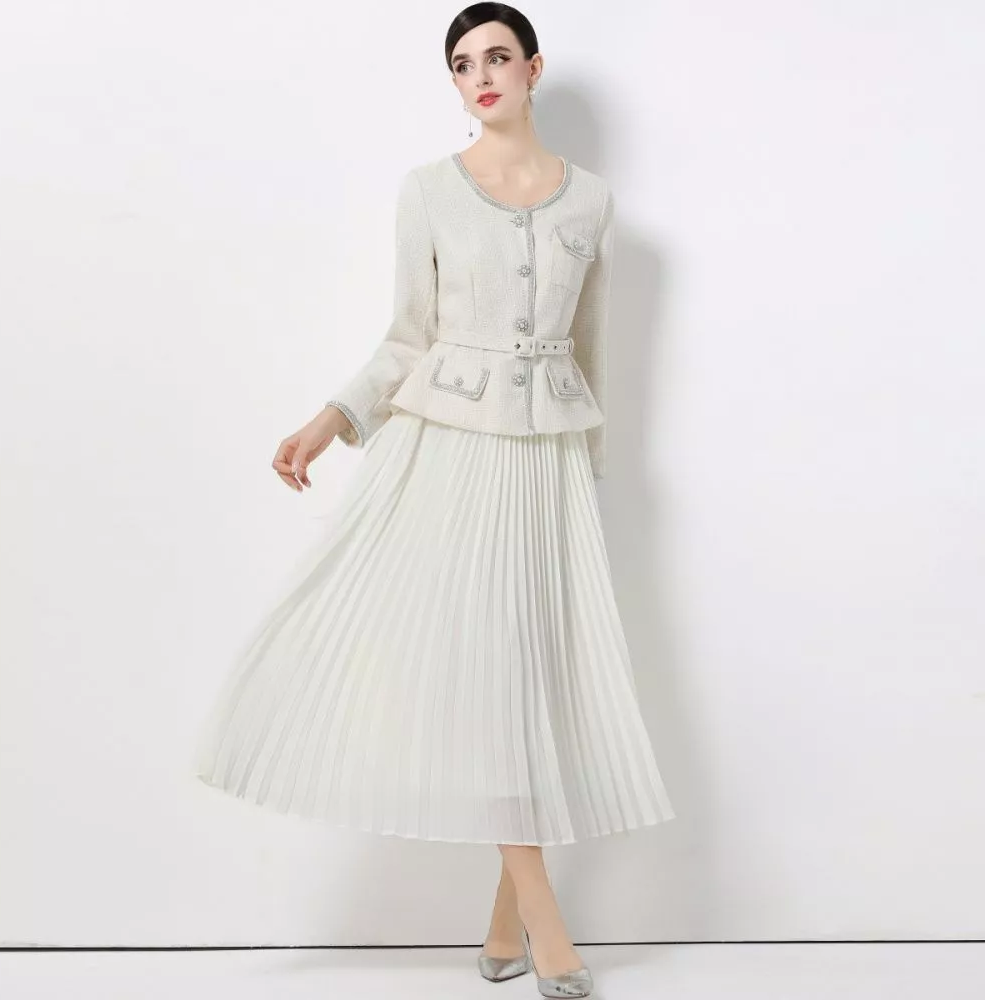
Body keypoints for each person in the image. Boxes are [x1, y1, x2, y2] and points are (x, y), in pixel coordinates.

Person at [192, 3, 676, 997]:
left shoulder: (592, 202)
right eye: (463, 64)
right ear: (454, 83)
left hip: (548, 462)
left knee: (533, 675)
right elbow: (407, 336)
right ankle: (546, 923)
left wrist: (586, 468)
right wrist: (333, 418)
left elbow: (591, 348)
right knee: (491, 676)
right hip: (450, 449)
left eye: (497, 56)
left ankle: (503, 923)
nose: (481, 75)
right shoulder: (427, 192)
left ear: (533, 68)